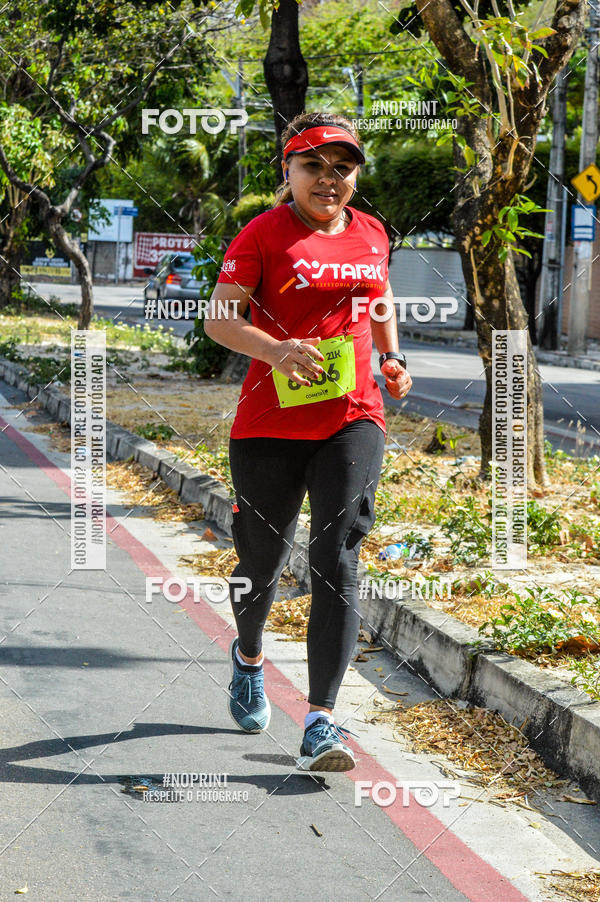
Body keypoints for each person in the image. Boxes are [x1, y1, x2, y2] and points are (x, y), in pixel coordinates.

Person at [204, 110, 412, 772]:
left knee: (338, 553)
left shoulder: (372, 233)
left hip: (353, 416)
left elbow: (379, 300)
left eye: (343, 167)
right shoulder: (264, 234)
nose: (329, 179)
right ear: (288, 170)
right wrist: (276, 350)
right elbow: (218, 318)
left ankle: (321, 720)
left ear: (355, 175)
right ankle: (248, 655)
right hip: (268, 424)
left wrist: (391, 358)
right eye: (314, 165)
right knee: (261, 566)